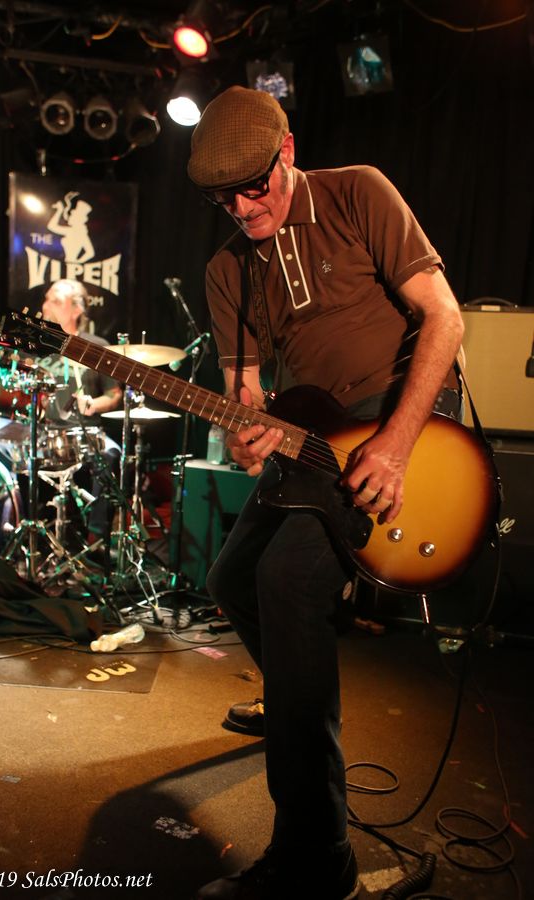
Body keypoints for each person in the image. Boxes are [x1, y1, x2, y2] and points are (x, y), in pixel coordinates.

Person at [187, 86, 465, 900]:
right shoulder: (226, 270)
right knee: (232, 580)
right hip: (309, 439)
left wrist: (398, 444)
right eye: (223, 200)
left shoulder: (357, 192)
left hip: (402, 421)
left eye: (254, 188)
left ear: (287, 151)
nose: (243, 209)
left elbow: (445, 319)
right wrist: (243, 434)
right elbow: (244, 393)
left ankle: (318, 858)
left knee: (286, 581)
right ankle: (298, 710)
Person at [0, 279, 123, 541]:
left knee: (112, 453)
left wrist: (93, 404)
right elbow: (1, 377)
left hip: (83, 433)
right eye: (46, 299)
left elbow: (114, 395)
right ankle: (5, 532)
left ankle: (96, 538)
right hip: (38, 432)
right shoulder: (32, 344)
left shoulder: (96, 346)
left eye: (55, 301)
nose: (46, 306)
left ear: (77, 310)